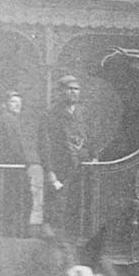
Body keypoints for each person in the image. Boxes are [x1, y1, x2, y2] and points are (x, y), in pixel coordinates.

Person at [0, 91, 48, 238]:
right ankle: (17, 234)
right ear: (5, 105)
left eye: (19, 102)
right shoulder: (8, 120)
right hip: (12, 169)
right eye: (13, 102)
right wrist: (26, 162)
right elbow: (14, 146)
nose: (18, 105)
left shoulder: (11, 120)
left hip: (13, 167)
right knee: (19, 201)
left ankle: (12, 233)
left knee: (14, 201)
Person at [40, 76, 96, 232]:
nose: (73, 92)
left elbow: (92, 138)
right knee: (57, 207)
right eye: (69, 89)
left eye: (76, 89)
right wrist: (50, 171)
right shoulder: (50, 114)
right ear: (60, 92)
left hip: (82, 167)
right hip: (61, 168)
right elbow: (44, 145)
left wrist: (94, 157)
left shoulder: (83, 113)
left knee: (79, 206)